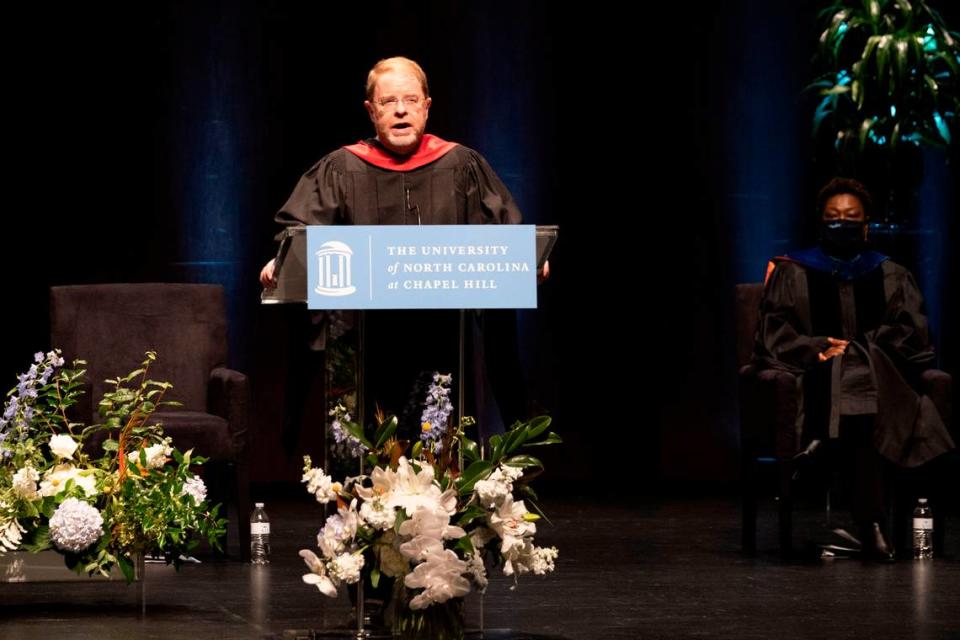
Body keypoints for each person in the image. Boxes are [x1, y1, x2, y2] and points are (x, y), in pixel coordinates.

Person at [260, 56, 537, 448]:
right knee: (369, 445)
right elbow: (300, 232)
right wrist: (283, 261)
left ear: (427, 105)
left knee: (441, 440)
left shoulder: (460, 165)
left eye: (410, 99)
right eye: (389, 102)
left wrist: (525, 262)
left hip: (444, 340)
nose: (401, 110)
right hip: (364, 341)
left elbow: (504, 234)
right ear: (371, 111)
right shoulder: (341, 168)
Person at [752, 177, 954, 561]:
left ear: (866, 224)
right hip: (816, 383)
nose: (841, 223)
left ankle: (821, 446)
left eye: (850, 217)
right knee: (853, 375)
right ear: (820, 222)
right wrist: (816, 349)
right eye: (832, 218)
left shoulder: (892, 274)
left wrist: (860, 349)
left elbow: (914, 336)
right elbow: (773, 333)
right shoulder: (792, 271)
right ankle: (870, 524)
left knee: (858, 363)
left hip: (883, 384)